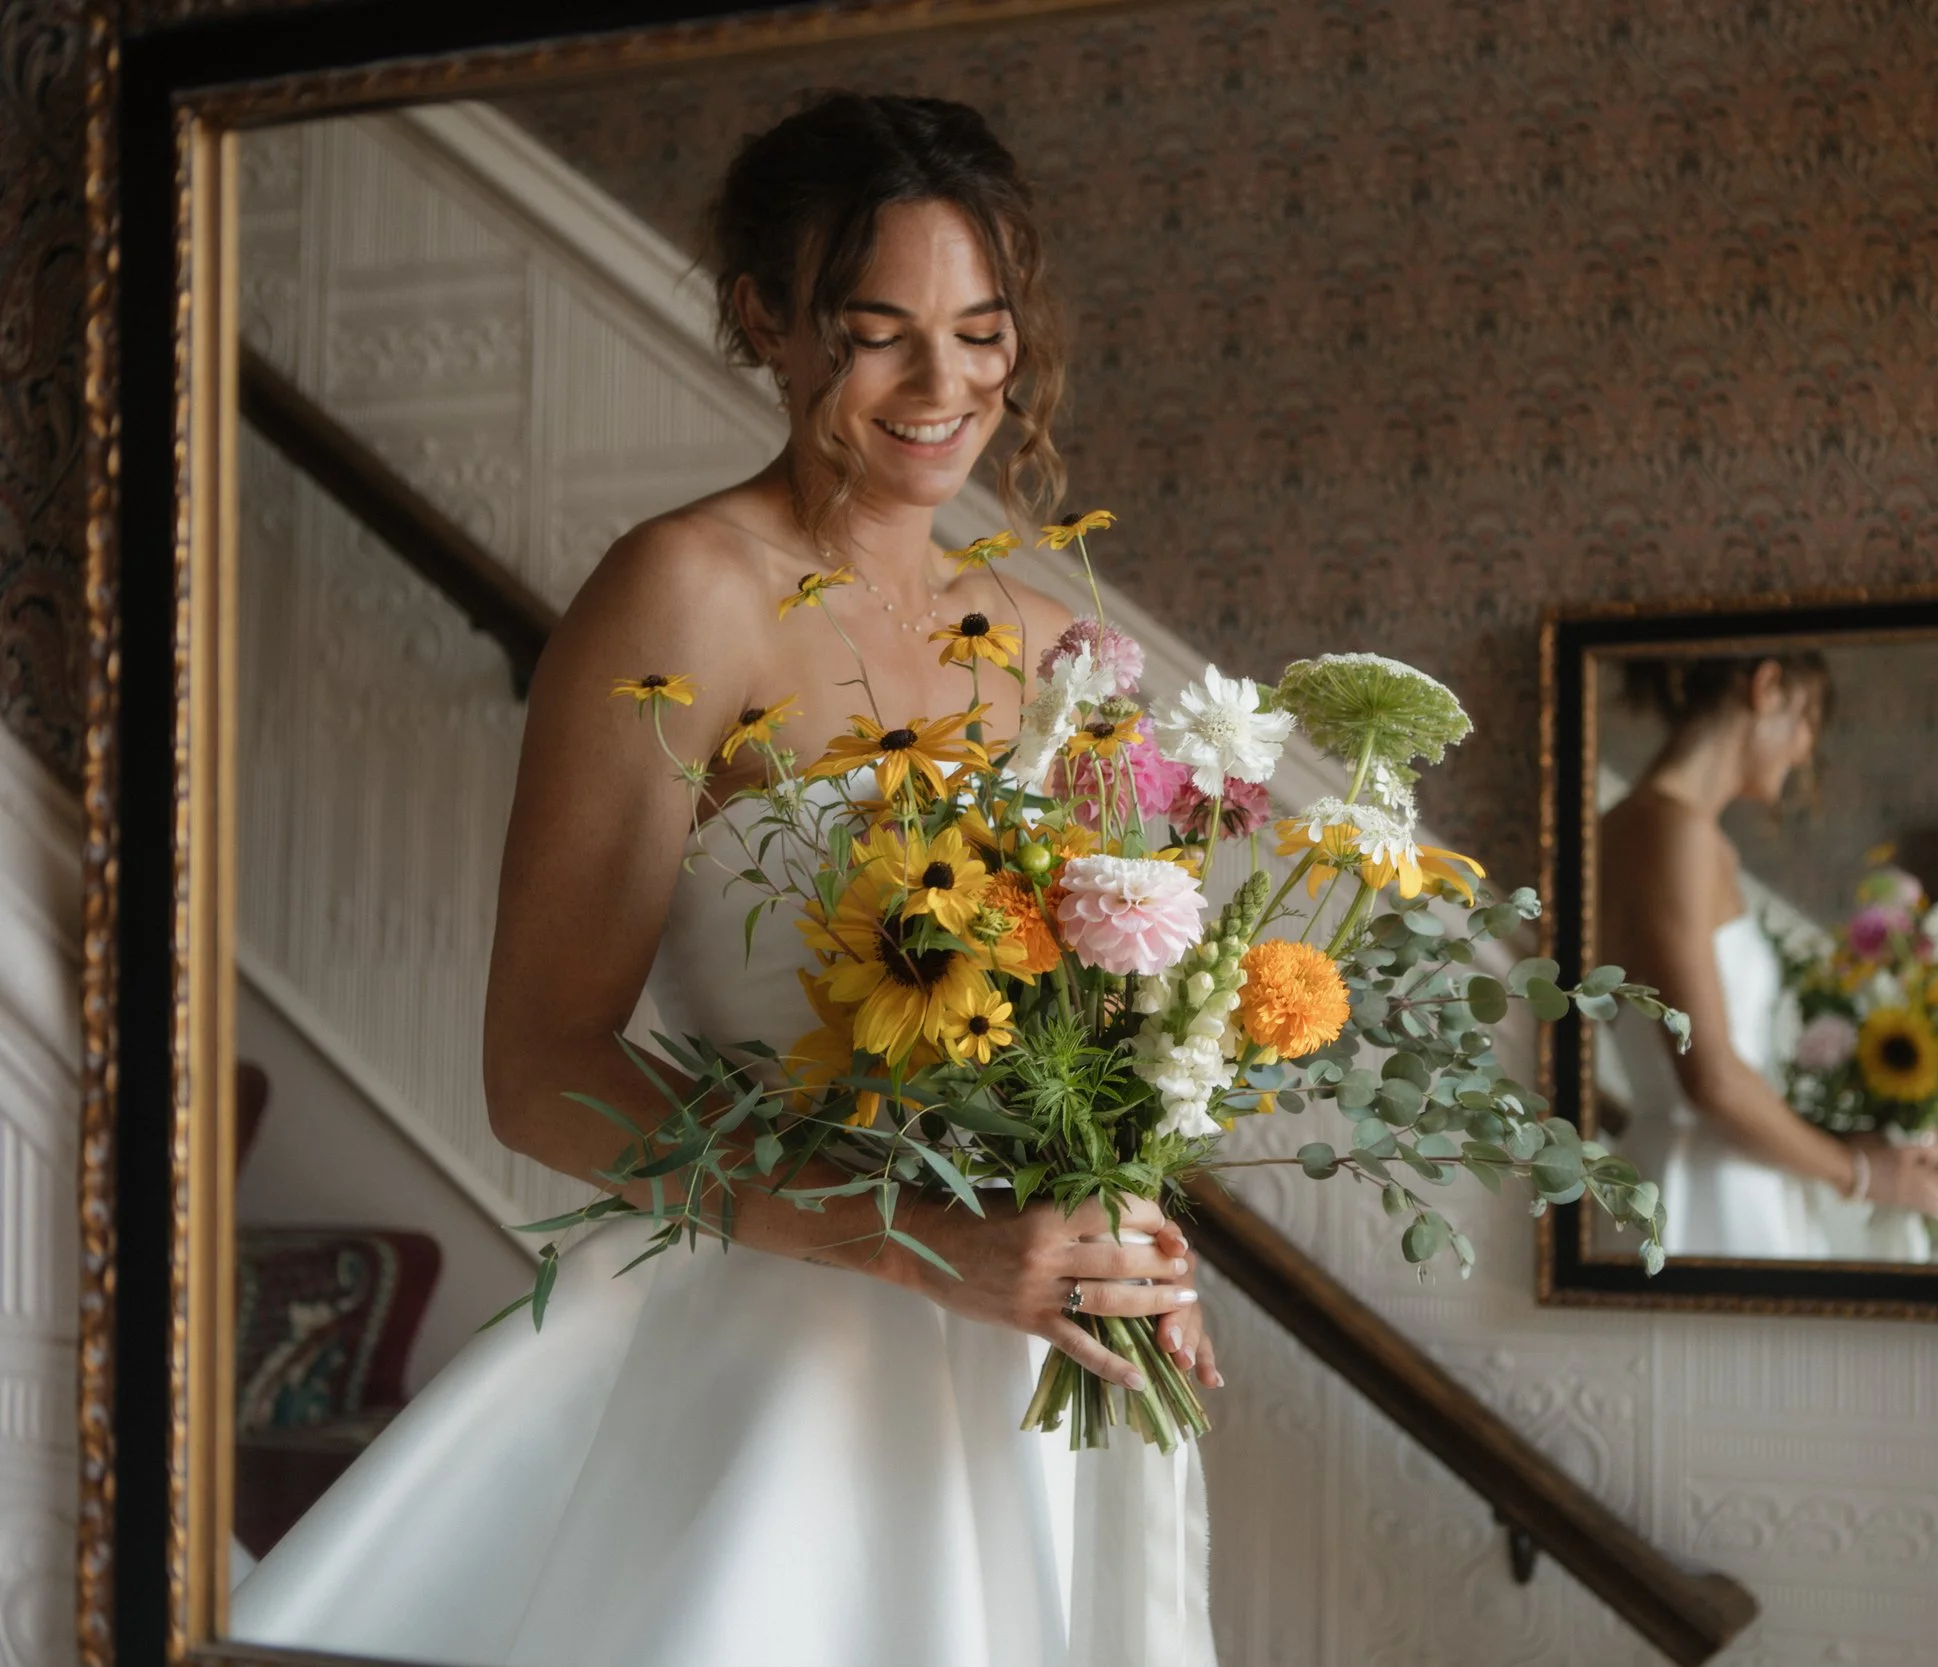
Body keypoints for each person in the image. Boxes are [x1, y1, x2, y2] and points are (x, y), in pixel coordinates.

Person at [230, 92, 1218, 1667]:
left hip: (1034, 1365)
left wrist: (1118, 1208)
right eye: (878, 330)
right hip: (788, 1351)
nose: (942, 386)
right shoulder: (683, 592)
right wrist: (924, 1240)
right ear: (764, 316)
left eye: (980, 331)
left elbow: (1103, 1023)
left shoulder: (1045, 638)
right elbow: (541, 1069)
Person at [1593, 654, 1938, 1260]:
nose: (1805, 751)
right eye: (1809, 719)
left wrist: (1847, 1149)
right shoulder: (1671, 834)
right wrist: (1862, 1175)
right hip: (1710, 1195)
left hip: (1722, 1173)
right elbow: (1710, 1079)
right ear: (1766, 688)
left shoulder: (1653, 832)